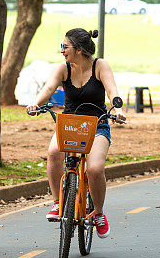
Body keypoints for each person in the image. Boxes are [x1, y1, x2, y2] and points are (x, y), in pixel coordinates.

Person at [26, 28, 126, 238]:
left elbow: (112, 90)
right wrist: (35, 104)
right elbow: (49, 89)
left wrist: (118, 110)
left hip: (97, 123)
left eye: (65, 47)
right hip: (69, 124)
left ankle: (98, 213)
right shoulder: (62, 68)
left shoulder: (100, 65)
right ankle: (56, 202)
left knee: (95, 168)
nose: (62, 50)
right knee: (53, 153)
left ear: (79, 50)